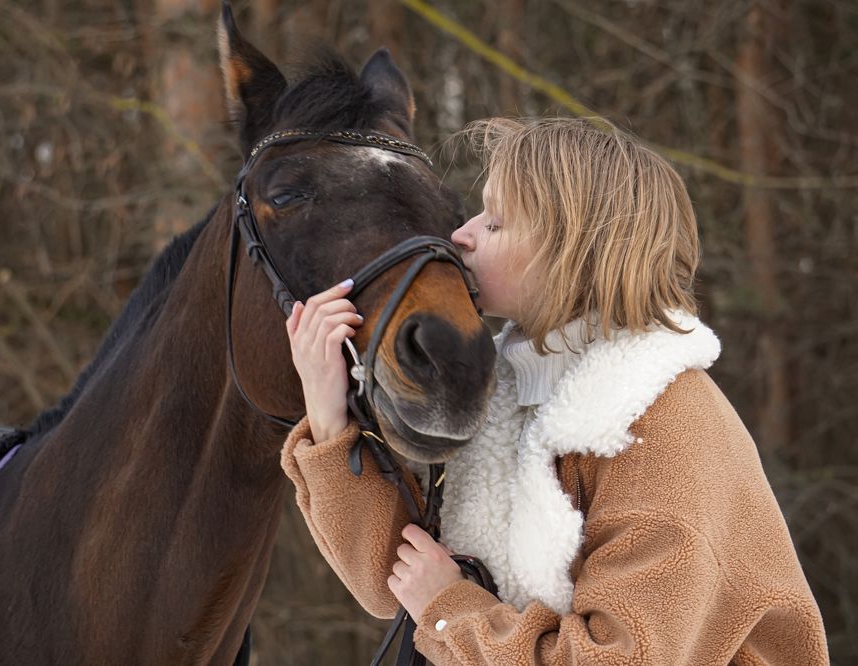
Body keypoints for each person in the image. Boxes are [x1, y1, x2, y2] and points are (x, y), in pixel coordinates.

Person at [279, 117, 829, 665]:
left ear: (574, 251)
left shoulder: (664, 425)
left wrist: (451, 611)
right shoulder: (510, 392)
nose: (461, 235)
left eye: (495, 223)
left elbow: (619, 658)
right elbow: (395, 581)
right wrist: (328, 414)